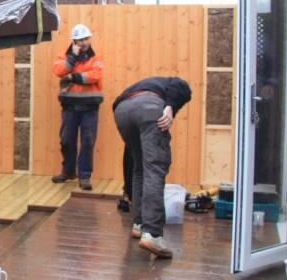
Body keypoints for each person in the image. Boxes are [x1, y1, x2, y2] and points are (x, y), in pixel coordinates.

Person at [112, 76, 192, 259]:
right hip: (148, 109)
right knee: (155, 169)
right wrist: (171, 106)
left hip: (121, 111)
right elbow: (183, 86)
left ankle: (139, 224)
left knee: (139, 168)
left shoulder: (142, 85)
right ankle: (153, 233)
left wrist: (127, 190)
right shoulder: (171, 86)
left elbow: (128, 160)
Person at [51, 24, 104, 191]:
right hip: (70, 106)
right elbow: (59, 71)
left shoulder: (96, 57)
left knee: (88, 141)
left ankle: (85, 176)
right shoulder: (65, 56)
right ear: (74, 41)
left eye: (86, 39)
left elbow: (96, 75)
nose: (83, 42)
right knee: (66, 140)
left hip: (90, 107)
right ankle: (68, 172)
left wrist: (73, 76)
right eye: (80, 39)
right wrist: (72, 58)